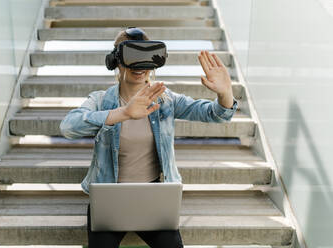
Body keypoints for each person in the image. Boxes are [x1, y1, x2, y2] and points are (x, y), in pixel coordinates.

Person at [60, 27, 238, 248]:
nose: (141, 67)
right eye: (133, 57)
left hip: (153, 198)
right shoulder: (101, 100)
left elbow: (215, 114)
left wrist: (225, 93)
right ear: (116, 61)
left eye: (147, 57)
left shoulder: (166, 99)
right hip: (110, 198)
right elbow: (68, 127)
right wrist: (123, 113)